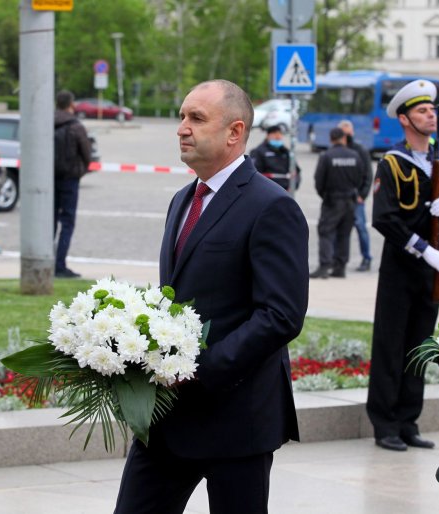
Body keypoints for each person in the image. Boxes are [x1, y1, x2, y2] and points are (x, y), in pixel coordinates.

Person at [113, 79, 309, 514]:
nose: (182, 128)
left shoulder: (272, 206)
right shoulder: (183, 199)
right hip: (167, 419)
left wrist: (198, 370)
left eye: (196, 118)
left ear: (234, 132)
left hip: (237, 420)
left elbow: (281, 315)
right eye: (181, 117)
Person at [366, 79, 439, 452]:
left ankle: (408, 421)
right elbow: (383, 218)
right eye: (421, 111)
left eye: (432, 110)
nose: (431, 115)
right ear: (404, 119)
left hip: (431, 271)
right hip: (400, 268)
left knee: (419, 347)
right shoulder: (393, 163)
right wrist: (422, 248)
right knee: (390, 346)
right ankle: (385, 424)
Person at [309, 127, 369, 279]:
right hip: (350, 199)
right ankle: (340, 267)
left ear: (331, 139)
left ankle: (324, 265)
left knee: (326, 232)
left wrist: (325, 195)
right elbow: (361, 177)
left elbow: (319, 180)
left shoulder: (327, 156)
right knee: (344, 234)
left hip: (332, 200)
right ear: (344, 138)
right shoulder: (355, 155)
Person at [52, 90, 92, 278]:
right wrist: (80, 172)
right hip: (69, 180)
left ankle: (46, 260)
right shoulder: (76, 126)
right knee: (67, 222)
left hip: (49, 180)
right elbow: (87, 154)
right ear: (71, 104)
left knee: (49, 222)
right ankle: (59, 265)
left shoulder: (46, 123)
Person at [338, 119, 374, 271]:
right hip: (339, 198)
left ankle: (366, 258)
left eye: (348, 133)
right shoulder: (336, 149)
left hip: (356, 197)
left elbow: (368, 174)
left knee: (360, 227)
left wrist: (362, 195)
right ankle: (338, 260)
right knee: (339, 229)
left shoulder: (360, 150)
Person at [249, 124, 300, 191]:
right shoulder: (258, 152)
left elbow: (296, 171)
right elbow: (254, 173)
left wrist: (294, 185)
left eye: (280, 134)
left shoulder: (286, 152)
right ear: (268, 135)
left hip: (285, 191)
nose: (278, 137)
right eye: (275, 134)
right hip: (267, 191)